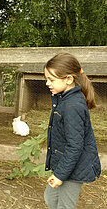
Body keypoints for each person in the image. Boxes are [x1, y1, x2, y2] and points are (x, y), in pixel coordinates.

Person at [43, 52, 101, 209]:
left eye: (52, 80)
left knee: (65, 206)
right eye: (46, 79)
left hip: (74, 168)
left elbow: (75, 146)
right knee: (50, 198)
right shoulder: (63, 99)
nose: (47, 83)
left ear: (69, 79)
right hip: (66, 164)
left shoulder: (72, 106)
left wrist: (60, 175)